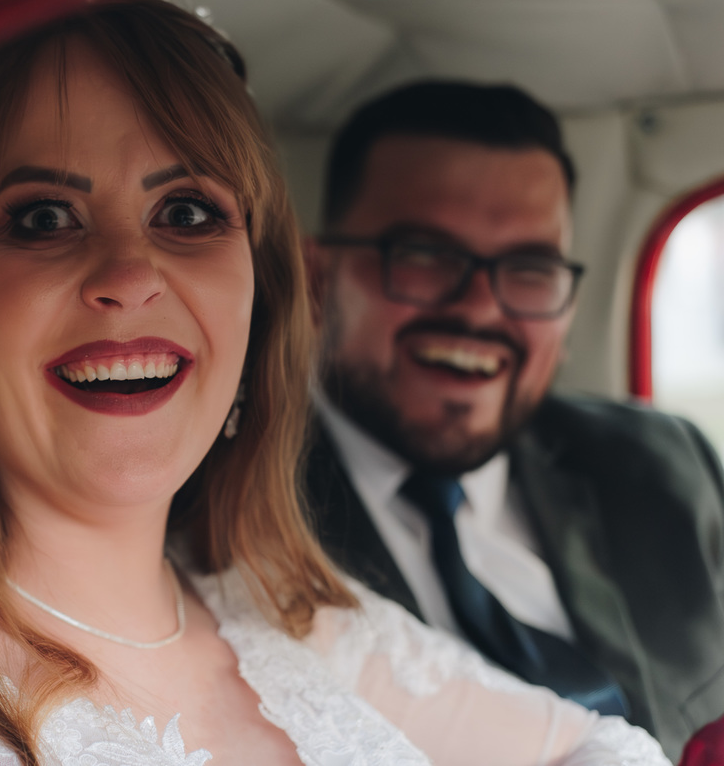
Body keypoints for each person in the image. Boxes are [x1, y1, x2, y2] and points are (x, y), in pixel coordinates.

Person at [0, 0, 669, 765]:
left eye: (186, 213)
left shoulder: (297, 621)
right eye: (43, 218)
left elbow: (606, 747)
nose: (129, 275)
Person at [304, 79, 724, 761]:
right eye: (425, 255)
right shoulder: (225, 505)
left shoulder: (665, 463)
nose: (479, 308)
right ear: (316, 279)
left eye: (530, 268)